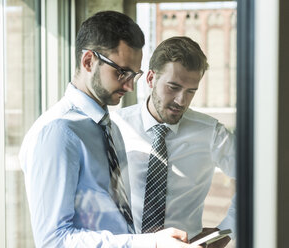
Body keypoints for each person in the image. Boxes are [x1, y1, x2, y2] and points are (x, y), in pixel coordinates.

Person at [19, 11, 200, 248]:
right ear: (88, 62)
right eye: (121, 72)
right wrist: (150, 244)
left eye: (134, 75)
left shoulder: (109, 128)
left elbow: (113, 221)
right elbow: (54, 240)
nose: (129, 85)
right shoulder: (58, 132)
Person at [111, 36, 235, 247]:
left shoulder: (212, 134)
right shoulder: (115, 127)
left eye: (190, 91)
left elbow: (257, 180)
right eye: (173, 87)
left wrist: (228, 228)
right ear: (150, 78)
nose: (181, 101)